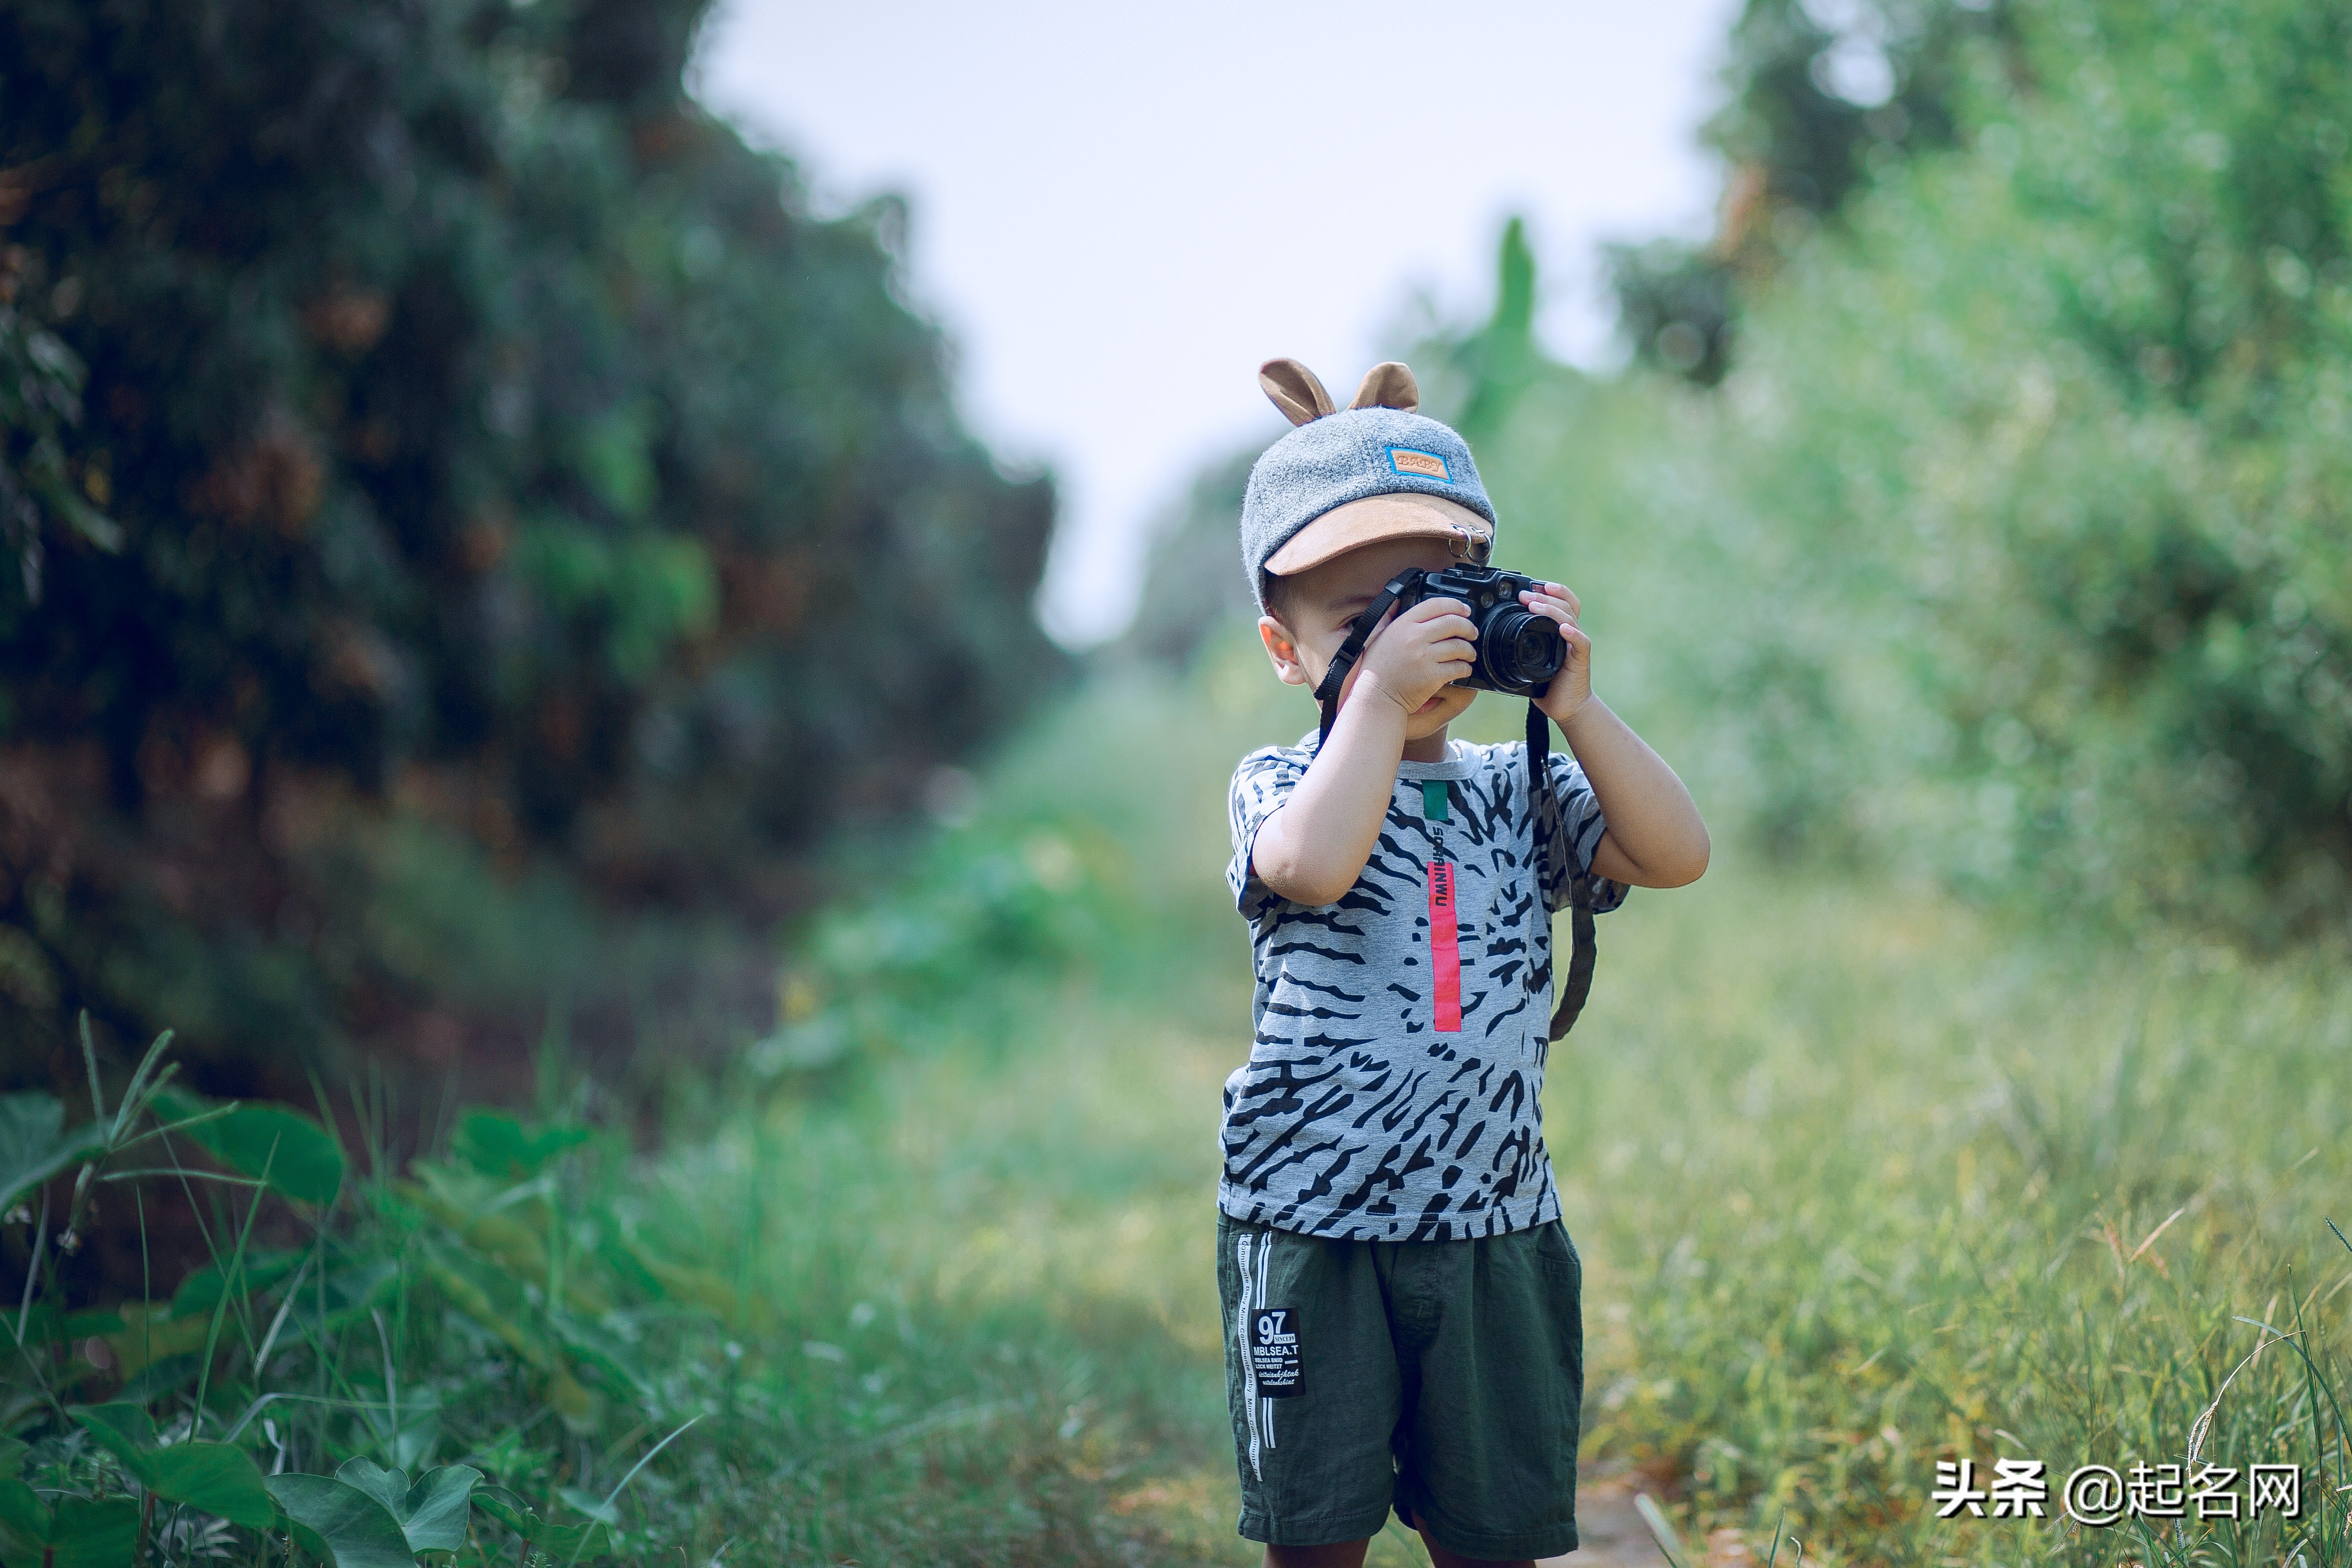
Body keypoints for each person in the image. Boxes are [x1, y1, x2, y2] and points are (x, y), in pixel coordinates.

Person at [1219, 358, 1710, 1568]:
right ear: (1287, 650)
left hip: (1492, 1222)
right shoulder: (1280, 783)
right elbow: (1313, 868)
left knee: (1494, 1535)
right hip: (1310, 1224)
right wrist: (1376, 707)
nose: (1409, 649)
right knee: (1315, 1534)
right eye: (1361, 623)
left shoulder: (1516, 781)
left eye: (1433, 604)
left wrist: (1577, 705)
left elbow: (1676, 852)